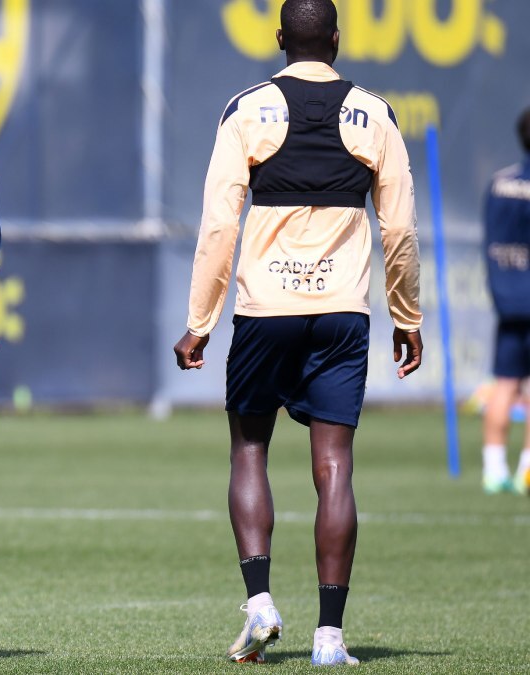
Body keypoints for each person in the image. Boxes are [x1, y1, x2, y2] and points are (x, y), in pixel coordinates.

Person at [171, 0, 422, 666]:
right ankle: (330, 638)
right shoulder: (376, 114)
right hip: (343, 310)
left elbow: (220, 227)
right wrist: (407, 315)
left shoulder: (246, 109)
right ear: (337, 40)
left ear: (280, 38)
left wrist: (200, 321)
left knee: (249, 449)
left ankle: (259, 604)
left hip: (264, 308)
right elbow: (398, 230)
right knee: (334, 464)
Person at [480, 108, 530, 496]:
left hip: (508, 300)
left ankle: (493, 469)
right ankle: (526, 467)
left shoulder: (499, 184)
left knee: (505, 384)